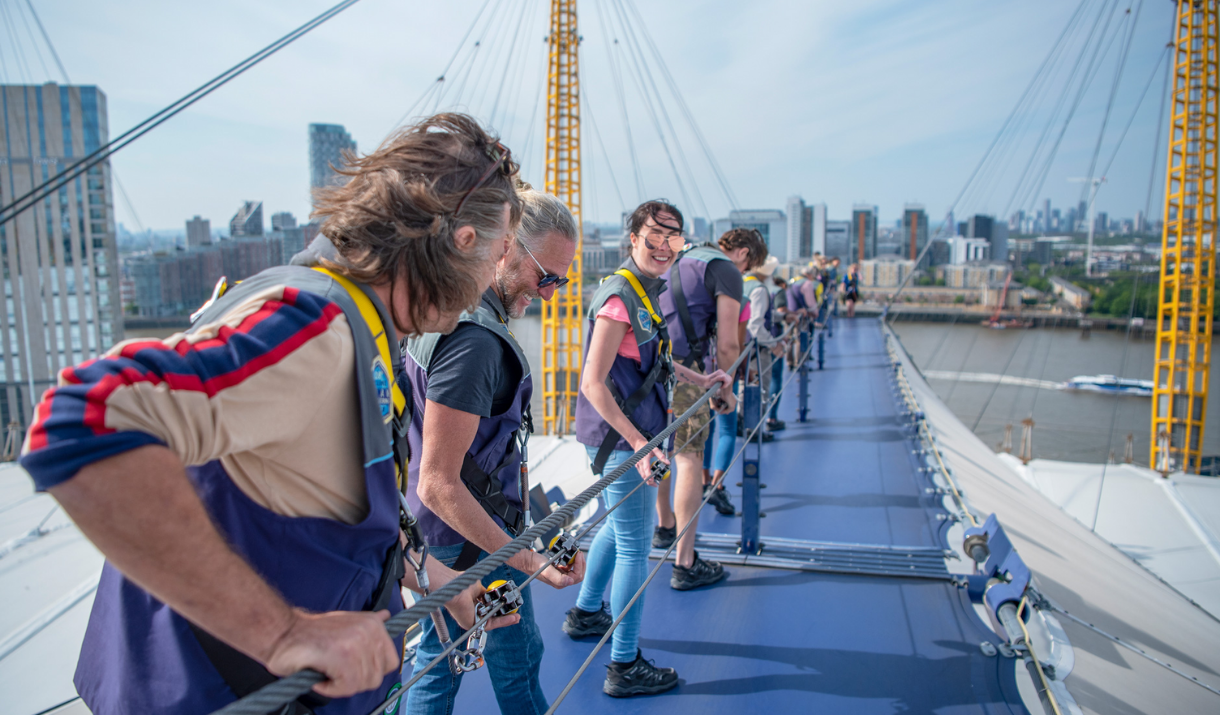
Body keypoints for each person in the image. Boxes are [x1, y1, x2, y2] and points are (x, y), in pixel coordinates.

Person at [18, 113, 524, 715]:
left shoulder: (361, 326)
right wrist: (283, 634)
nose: (496, 274)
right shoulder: (315, 328)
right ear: (462, 241)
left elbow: (308, 498)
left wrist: (434, 579)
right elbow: (85, 418)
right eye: (501, 251)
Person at [404, 190, 584, 715]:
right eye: (545, 276)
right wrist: (525, 556)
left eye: (561, 281)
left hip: (457, 535)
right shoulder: (477, 343)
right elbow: (438, 482)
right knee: (459, 668)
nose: (550, 294)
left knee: (458, 660)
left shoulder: (440, 311)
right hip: (471, 542)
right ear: (505, 247)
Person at [568, 200, 730, 697]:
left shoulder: (644, 290)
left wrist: (700, 378)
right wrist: (640, 444)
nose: (664, 245)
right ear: (632, 238)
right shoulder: (621, 297)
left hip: (628, 436)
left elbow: (653, 361)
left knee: (618, 534)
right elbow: (594, 382)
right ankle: (623, 665)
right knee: (636, 545)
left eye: (673, 237)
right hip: (624, 440)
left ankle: (586, 612)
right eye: (654, 235)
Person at [655, 222, 767, 591]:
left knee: (659, 452)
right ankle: (685, 562)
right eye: (748, 268)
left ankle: (664, 526)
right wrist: (725, 387)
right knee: (689, 458)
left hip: (653, 371)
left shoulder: (682, 257)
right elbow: (729, 343)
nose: (744, 274)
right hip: (691, 376)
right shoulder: (725, 270)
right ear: (745, 255)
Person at [745, 255, 787, 433]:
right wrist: (773, 344)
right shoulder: (760, 289)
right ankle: (754, 431)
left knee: (746, 387)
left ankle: (746, 425)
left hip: (743, 347)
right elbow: (755, 324)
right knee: (760, 387)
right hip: (757, 349)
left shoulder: (741, 283)